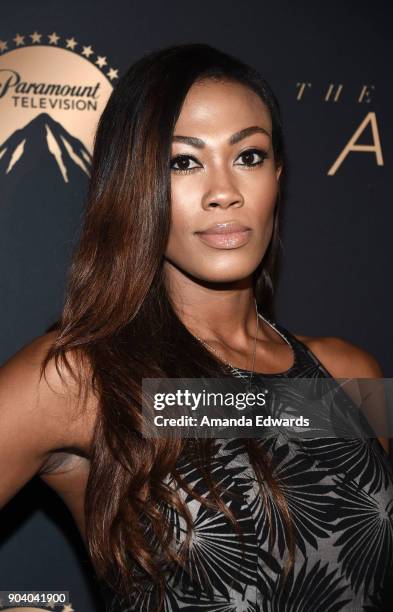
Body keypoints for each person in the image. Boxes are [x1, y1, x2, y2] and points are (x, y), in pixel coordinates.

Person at [0, 43, 392, 612]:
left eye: (249, 156)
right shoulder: (82, 378)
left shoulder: (347, 372)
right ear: (134, 185)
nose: (224, 192)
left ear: (278, 174)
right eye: (183, 162)